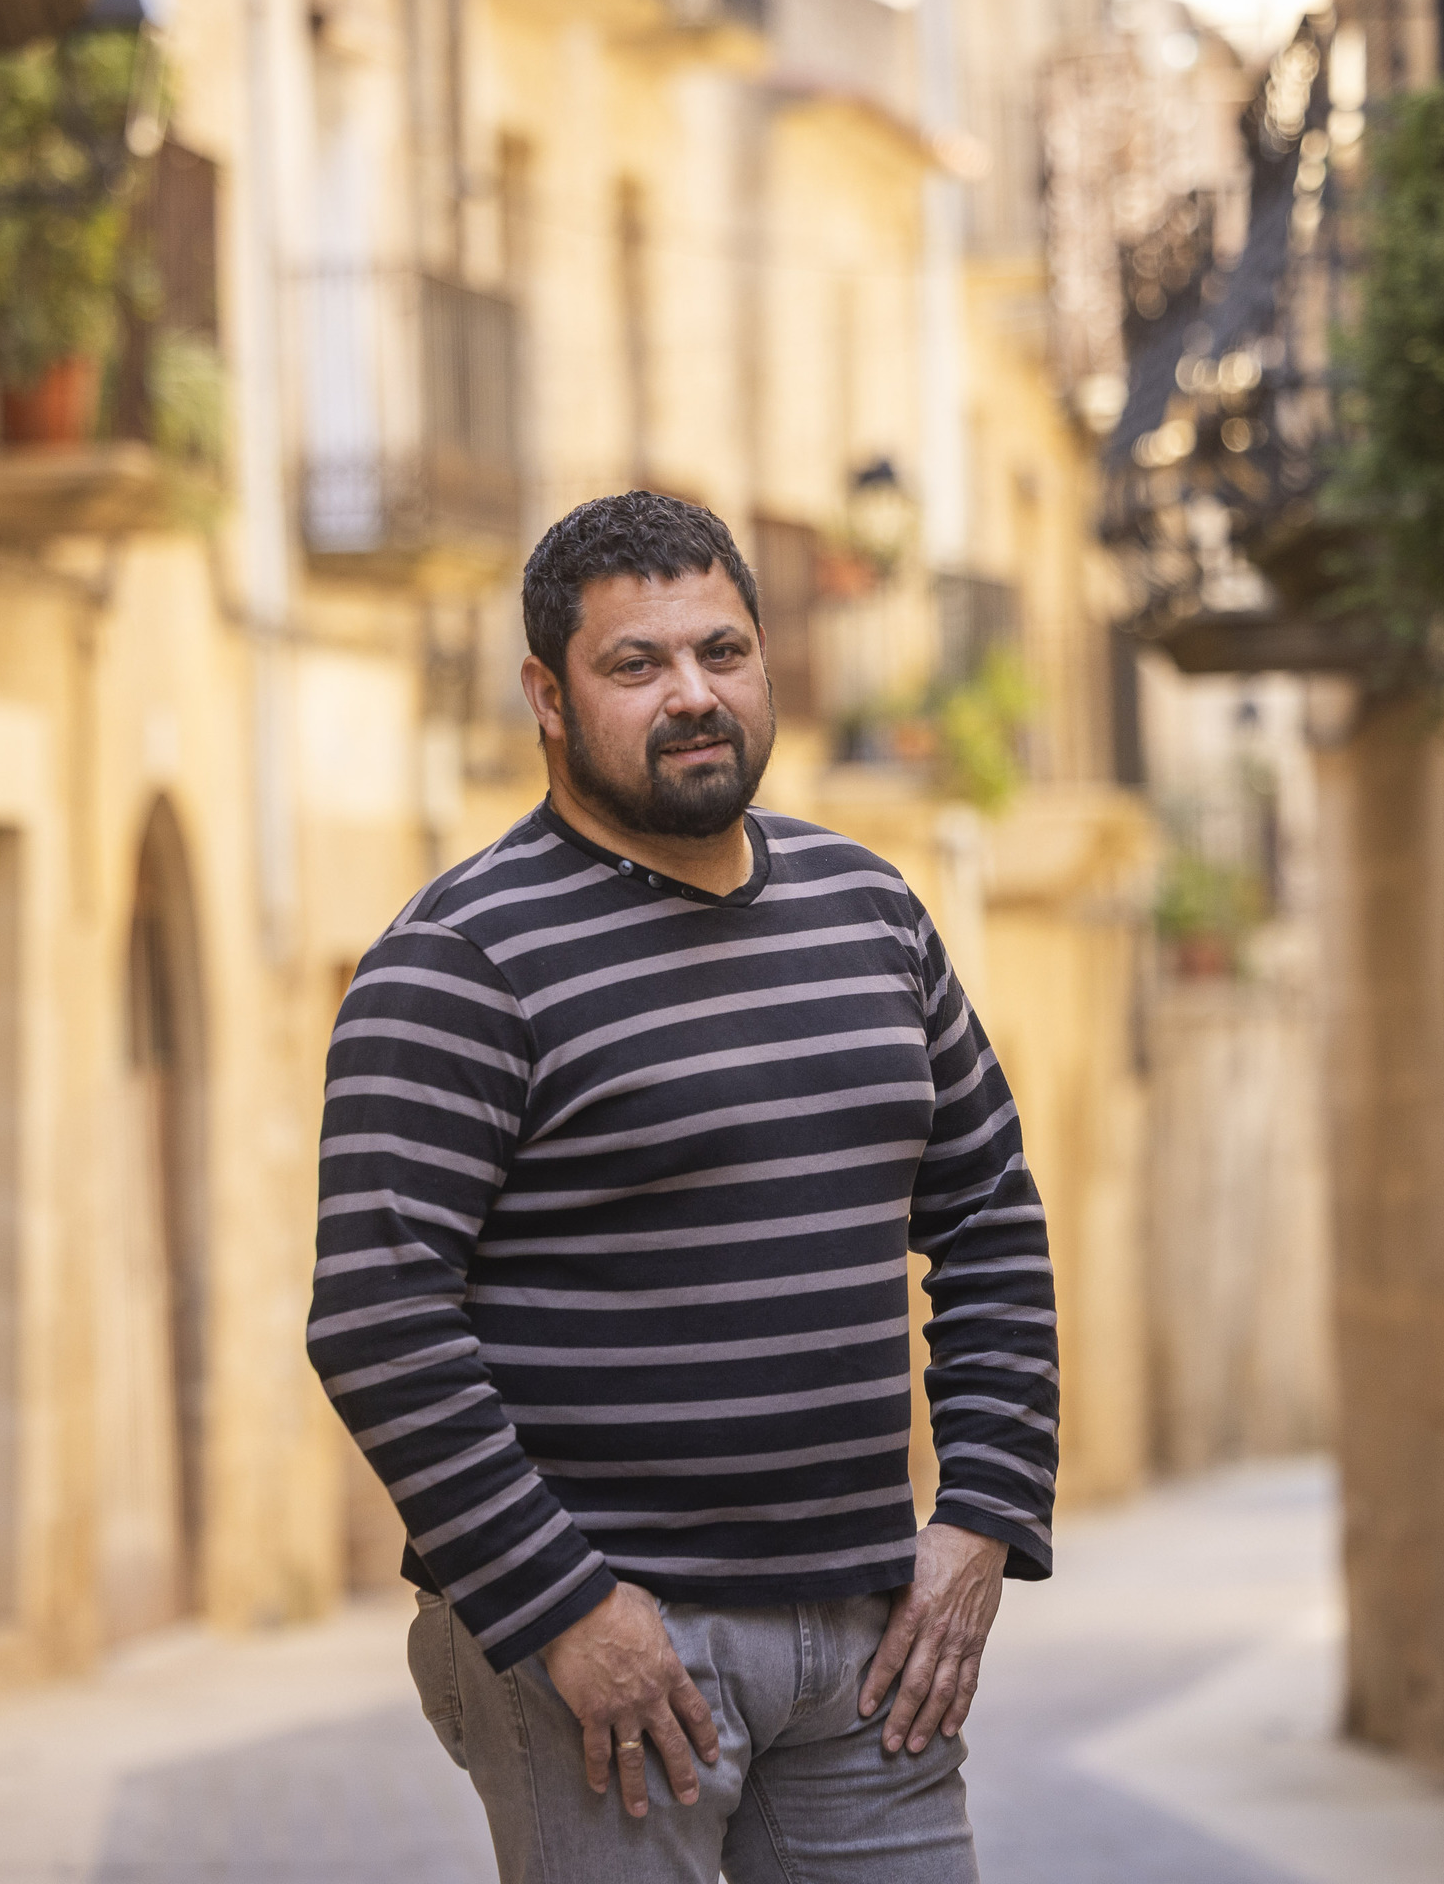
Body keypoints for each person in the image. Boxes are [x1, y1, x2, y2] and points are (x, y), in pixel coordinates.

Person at [307, 491, 1060, 1882]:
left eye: (722, 651)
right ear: (548, 696)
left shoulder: (873, 912)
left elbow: (988, 1214)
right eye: (636, 664)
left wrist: (979, 1521)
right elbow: (379, 1318)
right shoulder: (460, 961)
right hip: (606, 1651)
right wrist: (563, 1608)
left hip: (868, 1642)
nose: (694, 695)